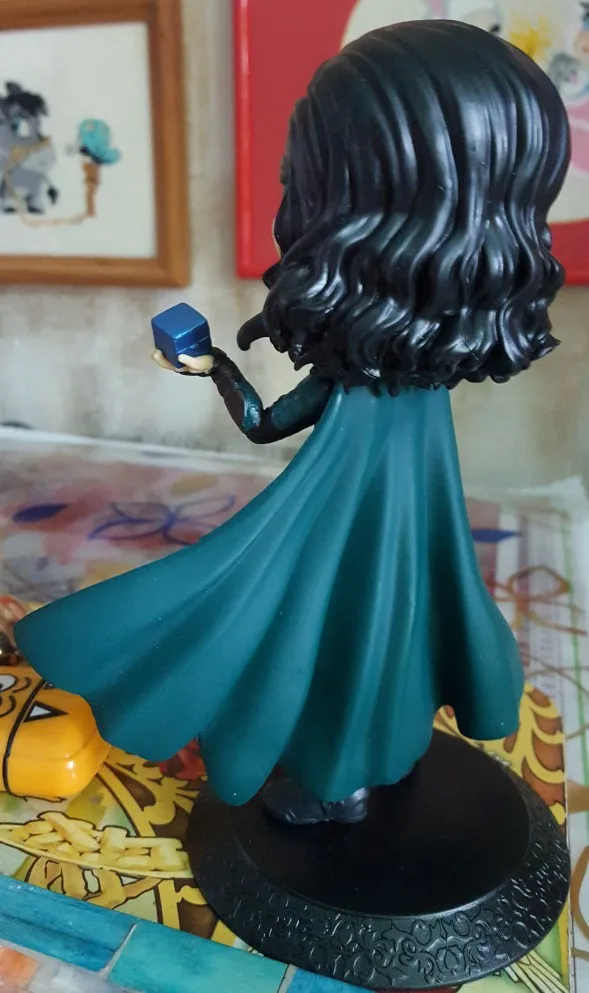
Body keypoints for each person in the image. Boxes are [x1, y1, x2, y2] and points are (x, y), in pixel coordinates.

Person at [15, 21, 570, 825]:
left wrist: (213, 367)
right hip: (404, 553)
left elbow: (263, 424)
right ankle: (355, 764)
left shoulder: (362, 382)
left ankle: (336, 780)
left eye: (302, 184)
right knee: (380, 634)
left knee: (317, 633)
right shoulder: (424, 374)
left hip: (343, 559)